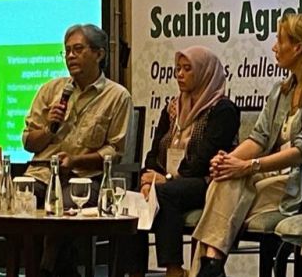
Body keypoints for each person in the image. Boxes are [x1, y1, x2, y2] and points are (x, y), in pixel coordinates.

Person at [189, 14, 302, 277]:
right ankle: (212, 264)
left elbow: (301, 153)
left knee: (225, 197)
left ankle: (208, 267)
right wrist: (229, 161)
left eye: (279, 41)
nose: (274, 47)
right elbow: (259, 138)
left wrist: (247, 166)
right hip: (280, 179)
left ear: (298, 48)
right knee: (224, 181)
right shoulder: (281, 91)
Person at [23, 23, 132, 276]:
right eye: (67, 50)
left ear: (99, 54)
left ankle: (45, 272)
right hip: (42, 174)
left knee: (63, 211)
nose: (70, 56)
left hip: (85, 179)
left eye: (78, 49)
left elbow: (114, 152)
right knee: (18, 203)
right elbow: (28, 142)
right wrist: (50, 127)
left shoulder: (117, 96)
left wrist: (75, 161)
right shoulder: (51, 90)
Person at [123, 46, 240, 277]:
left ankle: (174, 270)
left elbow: (203, 160)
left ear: (205, 73)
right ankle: (134, 272)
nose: (179, 74)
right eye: (177, 69)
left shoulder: (223, 110)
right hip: (170, 182)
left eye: (187, 69)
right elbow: (154, 151)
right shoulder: (173, 108)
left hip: (208, 182)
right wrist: (147, 180)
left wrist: (166, 179)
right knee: (134, 200)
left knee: (166, 193)